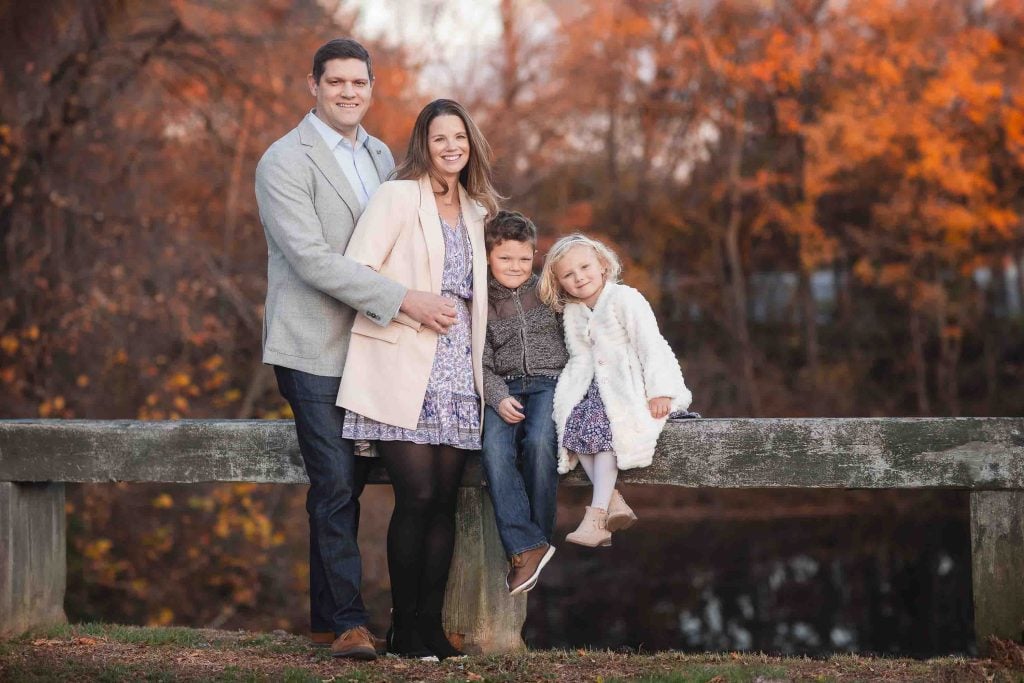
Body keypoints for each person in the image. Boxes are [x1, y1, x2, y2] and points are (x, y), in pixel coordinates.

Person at [254, 38, 456, 661]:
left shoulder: (379, 154)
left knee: (373, 482)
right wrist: (403, 299)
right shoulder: (284, 161)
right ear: (311, 84)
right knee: (337, 482)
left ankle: (330, 617)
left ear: (371, 88)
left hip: (378, 348)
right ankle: (347, 623)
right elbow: (312, 259)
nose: (348, 92)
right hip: (313, 346)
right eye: (335, 81)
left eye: (358, 83)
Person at [336, 99, 501, 659]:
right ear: (423, 146)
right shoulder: (397, 195)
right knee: (417, 495)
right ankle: (403, 628)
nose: (451, 147)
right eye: (439, 139)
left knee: (445, 501)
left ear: (471, 143)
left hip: (459, 370)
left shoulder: (479, 210)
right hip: (401, 361)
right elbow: (355, 272)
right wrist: (412, 305)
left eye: (459, 137)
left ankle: (431, 629)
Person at [538, 233, 692, 548]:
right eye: (568, 274)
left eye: (585, 267)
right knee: (570, 421)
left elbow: (651, 345)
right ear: (559, 282)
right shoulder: (572, 312)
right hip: (591, 384)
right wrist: (569, 396)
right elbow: (580, 358)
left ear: (603, 266)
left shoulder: (625, 299)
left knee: (602, 428)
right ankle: (613, 502)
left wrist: (660, 391)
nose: (579, 277)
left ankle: (596, 516)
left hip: (629, 383)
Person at [479, 210, 567, 595]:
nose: (515, 267)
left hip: (550, 382)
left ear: (534, 255)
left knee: (539, 443)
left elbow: (582, 335)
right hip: (504, 388)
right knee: (495, 451)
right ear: (487, 256)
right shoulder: (480, 301)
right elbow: (476, 362)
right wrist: (497, 398)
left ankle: (536, 542)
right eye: (505, 258)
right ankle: (527, 545)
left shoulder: (549, 291)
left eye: (524, 258)